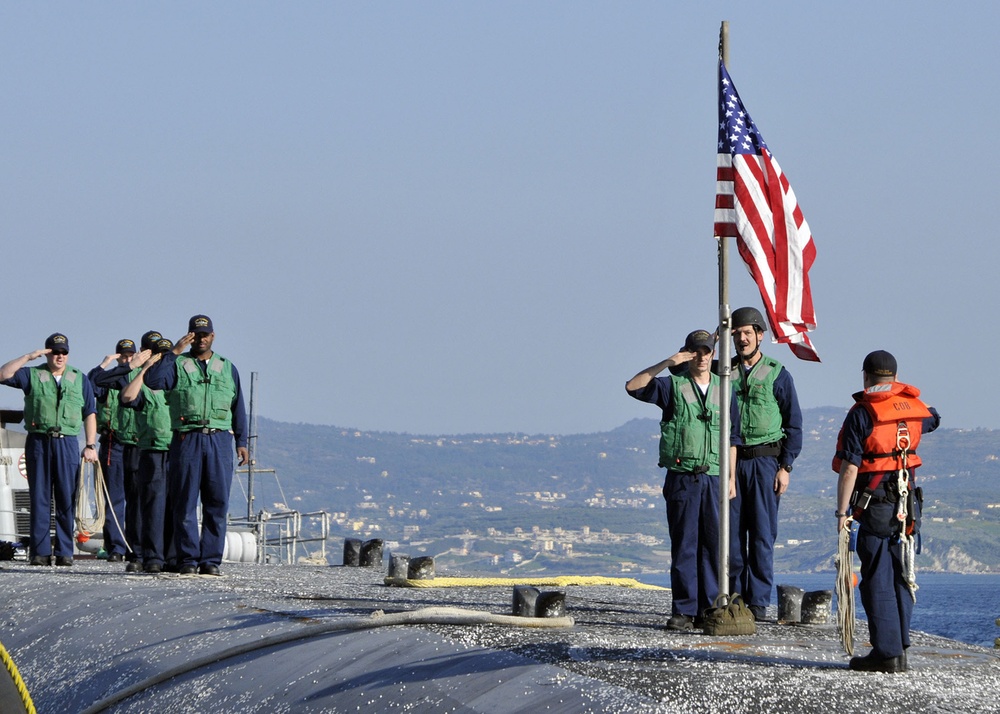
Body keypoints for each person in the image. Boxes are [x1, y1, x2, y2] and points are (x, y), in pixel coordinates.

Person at [626, 329, 740, 630]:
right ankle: (683, 609)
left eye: (705, 351)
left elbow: (732, 438)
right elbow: (633, 386)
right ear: (687, 353)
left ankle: (709, 608)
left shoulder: (725, 389)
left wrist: (731, 479)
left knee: (714, 547)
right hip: (682, 477)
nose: (701, 357)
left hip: (714, 476)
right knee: (685, 546)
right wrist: (668, 361)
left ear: (713, 354)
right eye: (695, 351)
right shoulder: (672, 387)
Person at [833, 350, 940, 673]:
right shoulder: (916, 411)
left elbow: (850, 466)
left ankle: (887, 653)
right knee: (901, 575)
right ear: (894, 377)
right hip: (908, 508)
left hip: (876, 506)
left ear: (866, 376)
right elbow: (934, 418)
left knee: (877, 578)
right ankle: (900, 647)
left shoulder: (863, 413)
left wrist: (841, 514)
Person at [143, 315, 249, 576]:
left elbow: (239, 407)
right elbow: (153, 381)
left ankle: (211, 560)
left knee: (217, 503)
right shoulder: (178, 364)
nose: (201, 339)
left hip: (219, 439)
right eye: (195, 334)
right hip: (187, 438)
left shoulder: (227, 367)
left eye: (205, 334)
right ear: (189, 336)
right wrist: (174, 352)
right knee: (185, 502)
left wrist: (242, 442)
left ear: (213, 336)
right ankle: (188, 559)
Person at [727, 307, 803, 621]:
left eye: (748, 332)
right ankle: (733, 598)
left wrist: (786, 467)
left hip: (765, 463)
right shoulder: (724, 373)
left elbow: (794, 423)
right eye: (737, 333)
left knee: (761, 534)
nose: (742, 338)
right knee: (730, 535)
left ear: (760, 335)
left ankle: (757, 603)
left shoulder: (777, 373)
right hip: (731, 464)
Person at [0, 333, 98, 566]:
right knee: (40, 498)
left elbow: (90, 413)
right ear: (47, 353)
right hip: (39, 442)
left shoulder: (79, 378)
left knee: (66, 497)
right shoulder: (32, 374)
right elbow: (3, 374)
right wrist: (28, 357)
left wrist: (90, 445)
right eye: (55, 352)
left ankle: (65, 551)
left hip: (67, 443)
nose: (60, 356)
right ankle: (40, 551)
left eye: (63, 352)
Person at [121, 335, 175, 574]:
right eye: (154, 353)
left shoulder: (176, 378)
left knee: (177, 506)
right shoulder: (141, 381)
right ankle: (150, 555)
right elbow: (128, 397)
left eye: (163, 354)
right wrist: (144, 369)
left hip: (177, 449)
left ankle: (173, 556)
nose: (159, 357)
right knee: (150, 506)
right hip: (151, 449)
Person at [88, 338, 140, 565]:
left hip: (138, 443)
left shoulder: (143, 378)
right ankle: (116, 547)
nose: (127, 359)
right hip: (113, 443)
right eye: (123, 356)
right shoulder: (107, 380)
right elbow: (88, 386)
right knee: (114, 499)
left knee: (137, 500)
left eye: (130, 355)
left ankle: (135, 546)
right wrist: (105, 364)